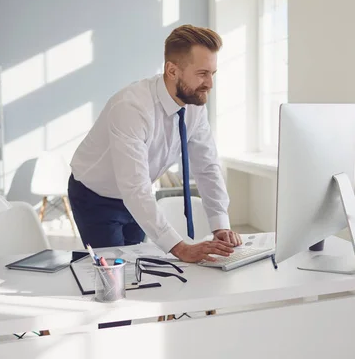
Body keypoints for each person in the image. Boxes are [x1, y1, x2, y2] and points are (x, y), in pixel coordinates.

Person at [68, 24, 241, 263]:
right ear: (172, 70)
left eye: (213, 73)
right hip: (96, 196)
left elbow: (207, 166)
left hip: (138, 195)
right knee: (113, 275)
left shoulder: (194, 106)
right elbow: (134, 188)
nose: (210, 84)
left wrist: (220, 225)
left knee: (139, 267)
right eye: (202, 73)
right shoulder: (131, 108)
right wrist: (180, 249)